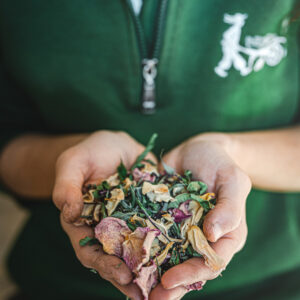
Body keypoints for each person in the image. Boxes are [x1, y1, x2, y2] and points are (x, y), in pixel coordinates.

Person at [0, 1, 300, 299]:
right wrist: (70, 162)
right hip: (62, 285)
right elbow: (8, 144)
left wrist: (234, 155)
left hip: (273, 281)